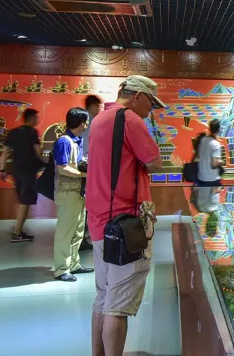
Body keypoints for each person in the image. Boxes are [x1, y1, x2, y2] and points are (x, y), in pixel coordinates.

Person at [85, 76, 164, 356]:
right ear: (138, 96)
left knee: (104, 296)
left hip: (100, 220)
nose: (151, 110)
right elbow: (155, 163)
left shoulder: (99, 119)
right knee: (117, 305)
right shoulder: (130, 119)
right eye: (151, 103)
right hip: (125, 223)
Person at [52, 107, 93, 282]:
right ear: (81, 122)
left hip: (78, 192)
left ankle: (74, 264)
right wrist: (86, 174)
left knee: (78, 231)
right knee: (65, 231)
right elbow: (62, 168)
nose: (88, 124)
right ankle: (61, 268)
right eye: (86, 121)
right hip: (68, 192)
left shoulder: (77, 141)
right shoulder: (64, 142)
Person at [0, 109, 47, 242]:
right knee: (25, 201)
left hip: (16, 170)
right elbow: (38, 152)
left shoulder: (13, 132)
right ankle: (17, 233)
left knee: (22, 199)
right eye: (36, 118)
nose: (37, 120)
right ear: (31, 119)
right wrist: (45, 161)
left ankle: (18, 228)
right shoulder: (32, 133)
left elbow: (4, 153)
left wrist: (2, 170)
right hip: (28, 170)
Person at [79, 94, 103, 252]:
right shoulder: (93, 121)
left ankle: (81, 235)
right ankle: (83, 236)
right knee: (87, 202)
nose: (99, 109)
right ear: (93, 106)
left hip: (80, 164)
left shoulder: (82, 120)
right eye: (98, 107)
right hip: (88, 166)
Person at [196, 119, 224, 187]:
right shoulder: (216, 144)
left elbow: (198, 156)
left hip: (201, 178)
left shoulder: (203, 140)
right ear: (218, 130)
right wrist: (222, 162)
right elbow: (214, 164)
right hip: (212, 180)